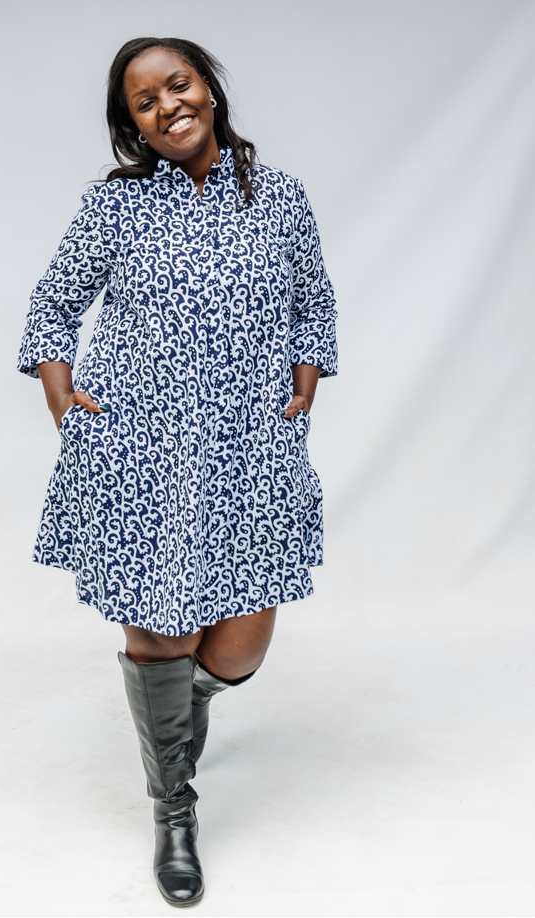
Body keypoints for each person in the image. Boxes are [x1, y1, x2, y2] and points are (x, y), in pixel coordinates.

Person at [18, 36, 337, 908]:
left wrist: (303, 382)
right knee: (159, 632)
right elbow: (53, 303)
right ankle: (173, 806)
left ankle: (175, 709)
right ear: (132, 124)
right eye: (144, 101)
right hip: (138, 452)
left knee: (236, 650)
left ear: (208, 87)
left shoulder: (279, 198)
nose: (167, 106)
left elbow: (311, 297)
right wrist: (59, 393)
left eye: (178, 84)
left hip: (246, 450)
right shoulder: (113, 207)